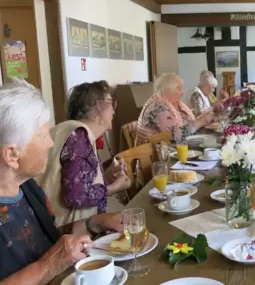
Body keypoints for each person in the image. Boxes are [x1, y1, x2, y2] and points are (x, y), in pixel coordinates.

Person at [0, 79, 122, 282]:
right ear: (12, 154)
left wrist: (94, 223)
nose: (50, 143)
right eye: (43, 135)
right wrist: (48, 265)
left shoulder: (28, 188)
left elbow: (51, 238)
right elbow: (51, 257)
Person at [36, 81, 131, 227]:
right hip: (68, 233)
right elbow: (75, 196)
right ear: (100, 107)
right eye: (111, 103)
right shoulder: (79, 135)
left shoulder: (73, 132)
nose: (113, 111)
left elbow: (78, 182)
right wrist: (114, 188)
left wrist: (105, 177)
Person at [135, 73, 214, 145]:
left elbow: (189, 124)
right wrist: (201, 122)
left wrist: (203, 118)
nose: (182, 93)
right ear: (168, 90)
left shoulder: (177, 104)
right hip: (157, 155)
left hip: (176, 149)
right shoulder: (157, 108)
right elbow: (175, 136)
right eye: (179, 89)